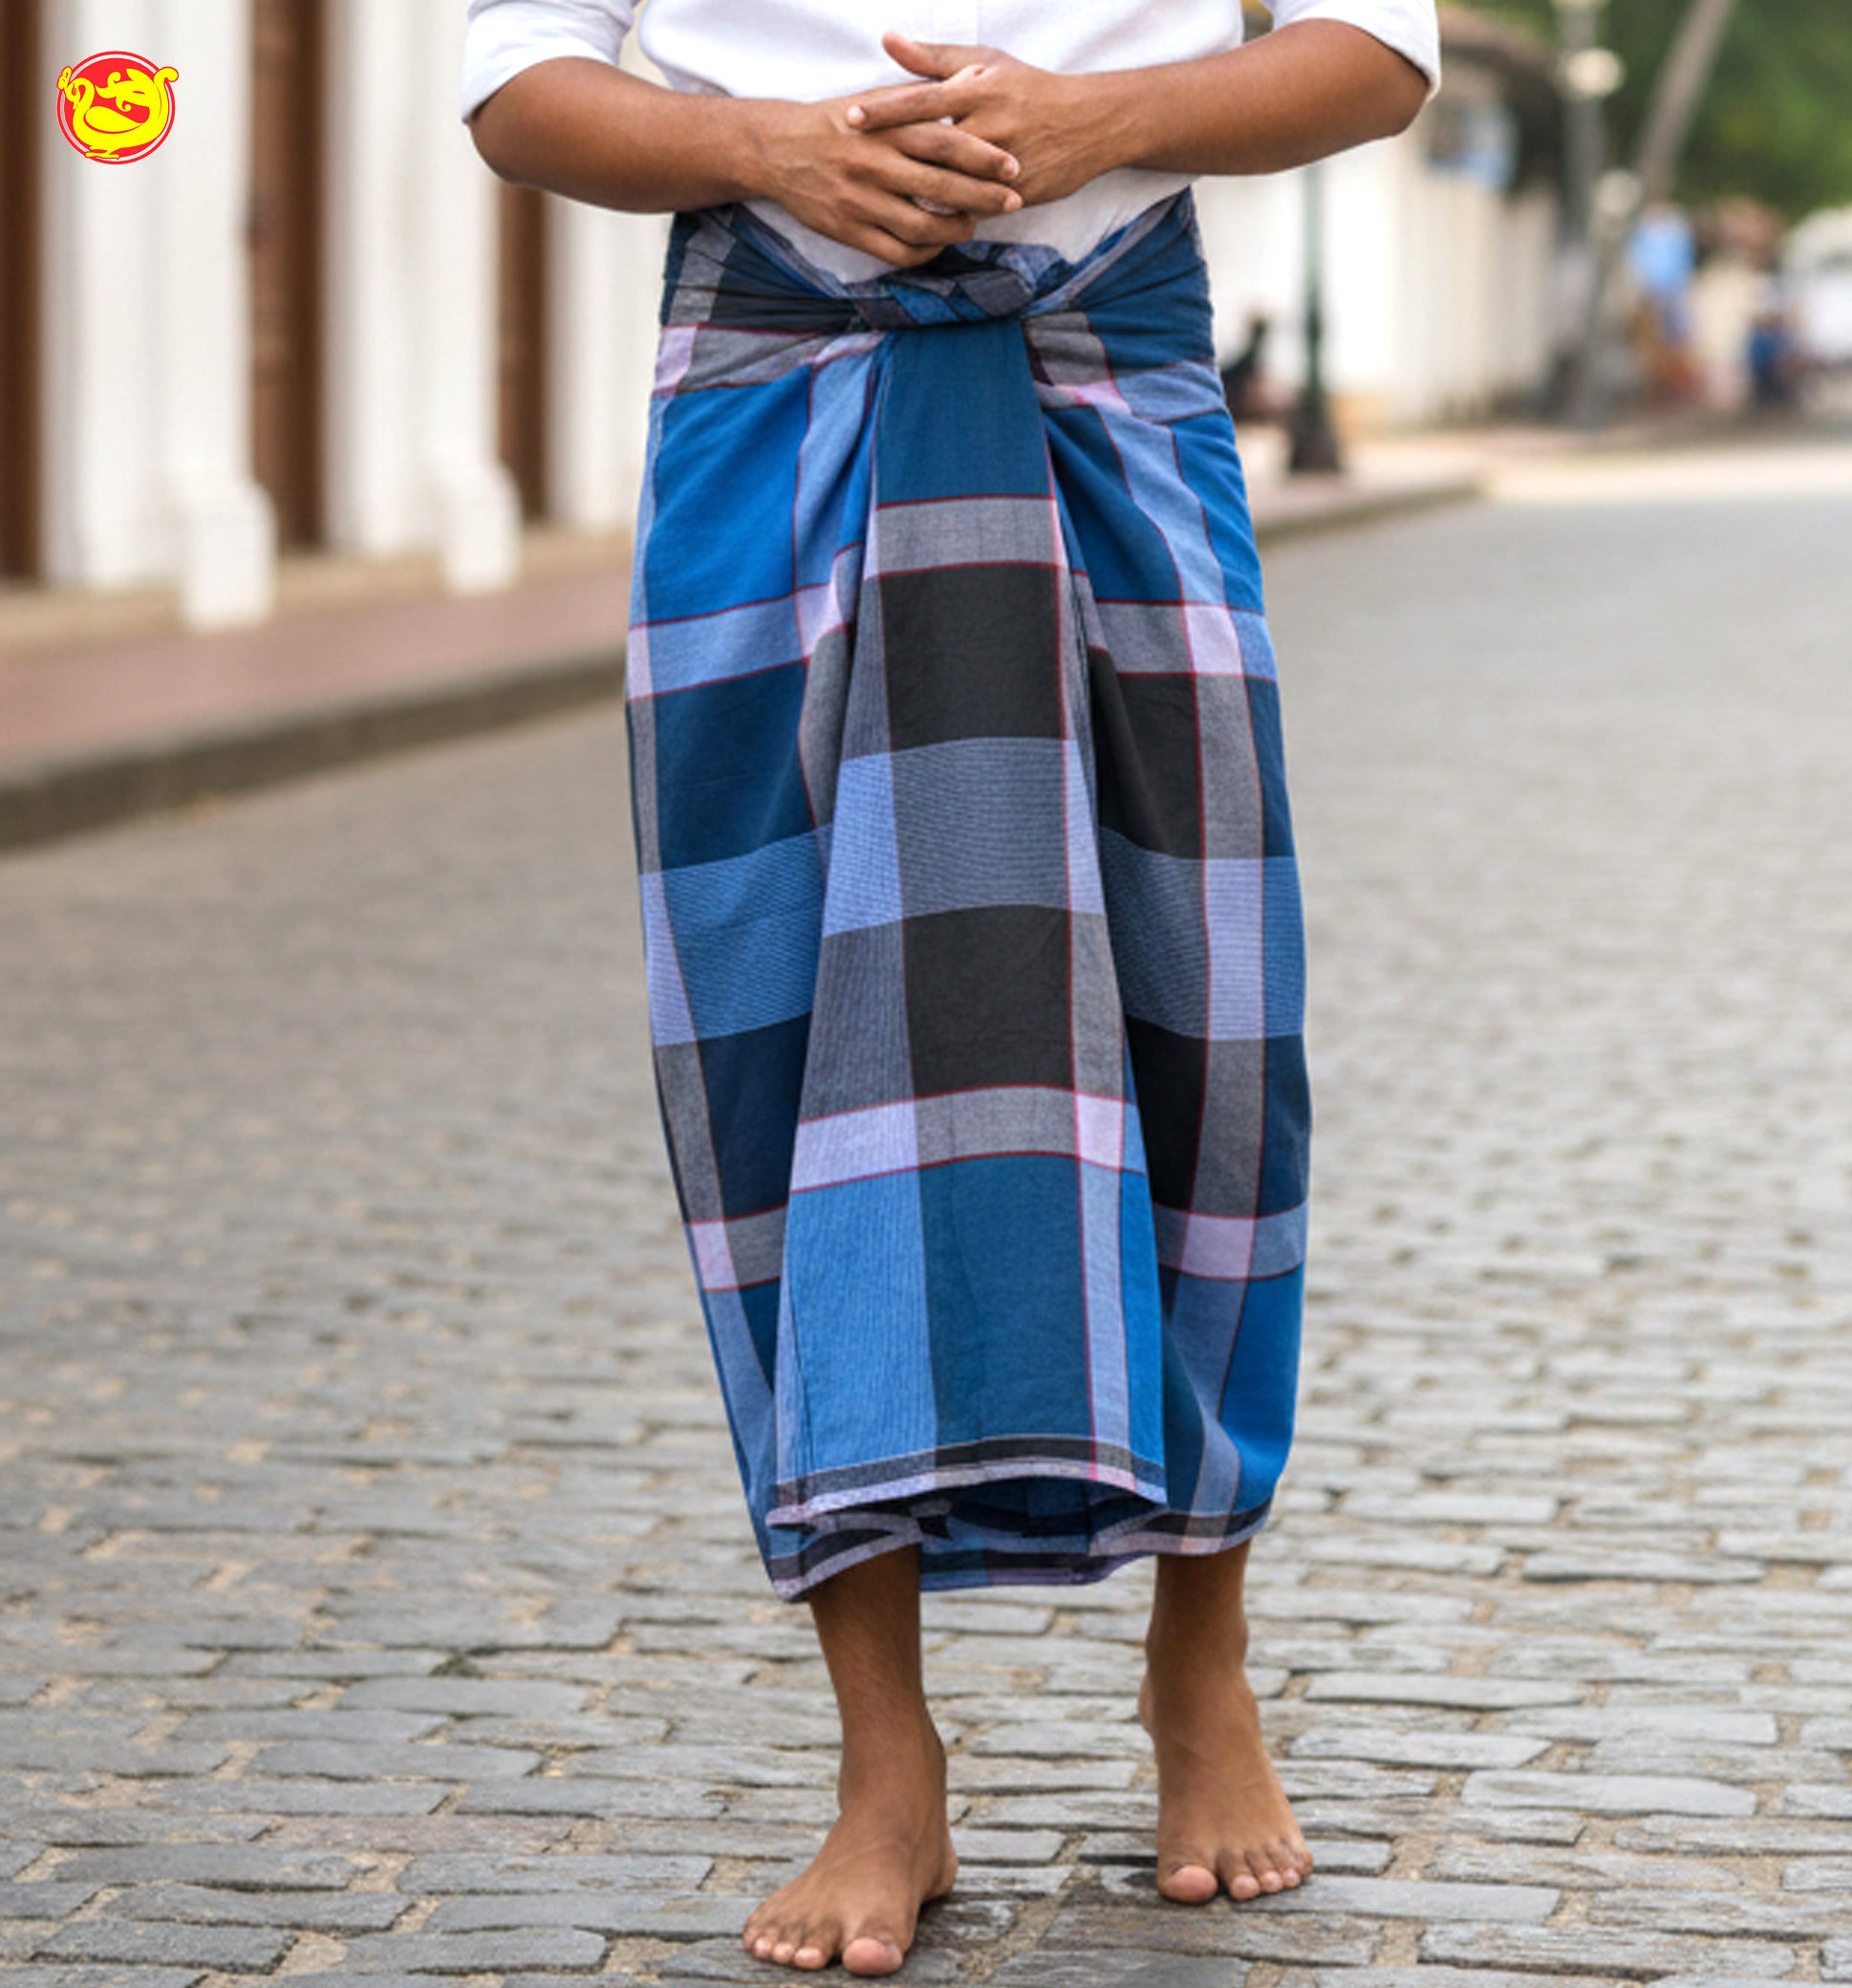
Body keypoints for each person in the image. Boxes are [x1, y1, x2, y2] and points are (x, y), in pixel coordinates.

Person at [461, 4, 1437, 1975]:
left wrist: (1108, 115)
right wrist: (767, 147)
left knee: (1204, 1021)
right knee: (779, 1048)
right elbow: (509, 82)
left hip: (1107, 364)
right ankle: (881, 1760)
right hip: (771, 385)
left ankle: (1199, 1658)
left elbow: (1379, 47)